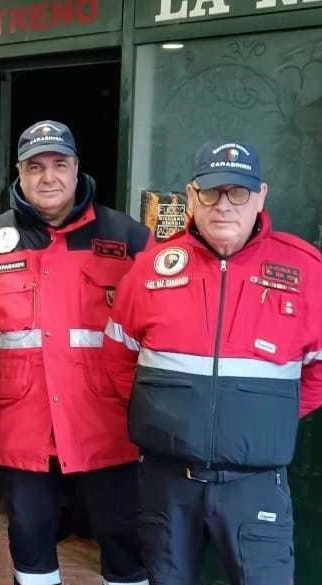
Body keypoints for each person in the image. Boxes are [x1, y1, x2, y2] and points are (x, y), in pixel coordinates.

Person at [103, 140, 322, 585]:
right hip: (168, 484)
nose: (224, 205)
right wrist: (169, 416)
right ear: (191, 196)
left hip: (255, 483)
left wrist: (262, 418)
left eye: (238, 193)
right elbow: (118, 356)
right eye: (211, 192)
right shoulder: (150, 270)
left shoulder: (306, 270)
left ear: (260, 196)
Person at [0, 120, 149, 585]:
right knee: (30, 548)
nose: (48, 177)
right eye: (35, 167)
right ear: (20, 175)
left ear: (76, 169)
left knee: (126, 547)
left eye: (59, 164)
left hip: (107, 427)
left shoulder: (129, 240)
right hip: (21, 428)